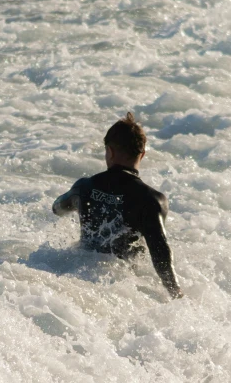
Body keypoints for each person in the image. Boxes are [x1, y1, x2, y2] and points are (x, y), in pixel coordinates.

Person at [52, 112, 183, 299]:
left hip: (78, 277)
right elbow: (160, 251)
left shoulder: (84, 187)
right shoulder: (151, 200)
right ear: (142, 154)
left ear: (110, 151)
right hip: (119, 286)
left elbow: (57, 209)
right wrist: (175, 291)